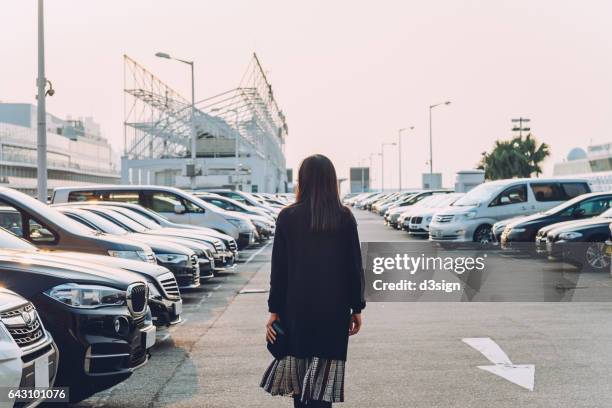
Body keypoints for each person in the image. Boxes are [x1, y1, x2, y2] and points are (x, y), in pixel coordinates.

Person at [260, 154, 366, 407]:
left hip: (296, 310)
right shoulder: (344, 217)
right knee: (322, 386)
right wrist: (357, 308)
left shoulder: (287, 217)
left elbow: (280, 270)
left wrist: (274, 310)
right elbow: (354, 268)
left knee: (300, 384)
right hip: (333, 312)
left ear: (302, 180)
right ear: (332, 181)